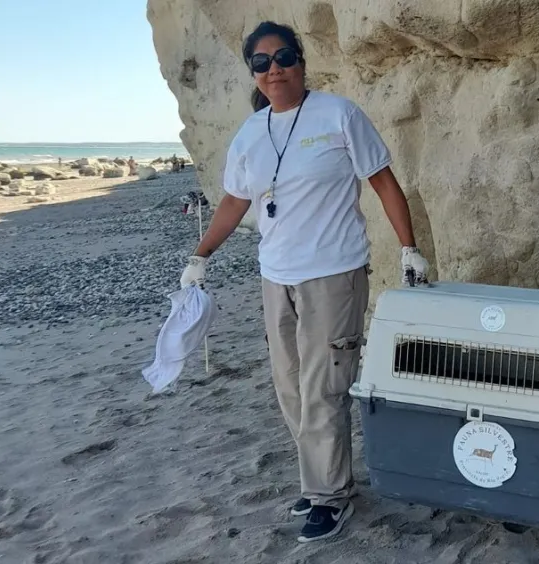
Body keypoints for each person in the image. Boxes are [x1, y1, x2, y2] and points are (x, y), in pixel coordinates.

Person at [178, 20, 431, 544]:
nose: (274, 69)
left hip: (334, 274)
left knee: (324, 386)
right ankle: (319, 478)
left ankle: (329, 495)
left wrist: (409, 249)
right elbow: (235, 200)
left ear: (301, 62)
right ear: (252, 71)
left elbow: (383, 182)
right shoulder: (252, 132)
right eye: (261, 62)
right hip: (276, 277)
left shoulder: (339, 114)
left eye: (284, 57)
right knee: (291, 386)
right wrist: (201, 255)